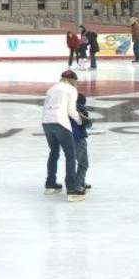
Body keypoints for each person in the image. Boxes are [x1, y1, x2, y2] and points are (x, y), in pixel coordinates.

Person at [41, 70, 85, 201]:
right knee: (70, 155)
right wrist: (80, 120)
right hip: (60, 122)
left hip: (46, 122)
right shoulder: (71, 89)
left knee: (54, 152)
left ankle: (50, 184)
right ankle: (72, 189)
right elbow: (71, 110)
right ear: (72, 80)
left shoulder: (51, 88)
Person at [71, 89, 93, 192]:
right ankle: (77, 186)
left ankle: (82, 183)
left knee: (77, 162)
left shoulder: (67, 109)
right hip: (79, 139)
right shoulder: (81, 110)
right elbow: (88, 124)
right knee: (83, 164)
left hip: (67, 138)